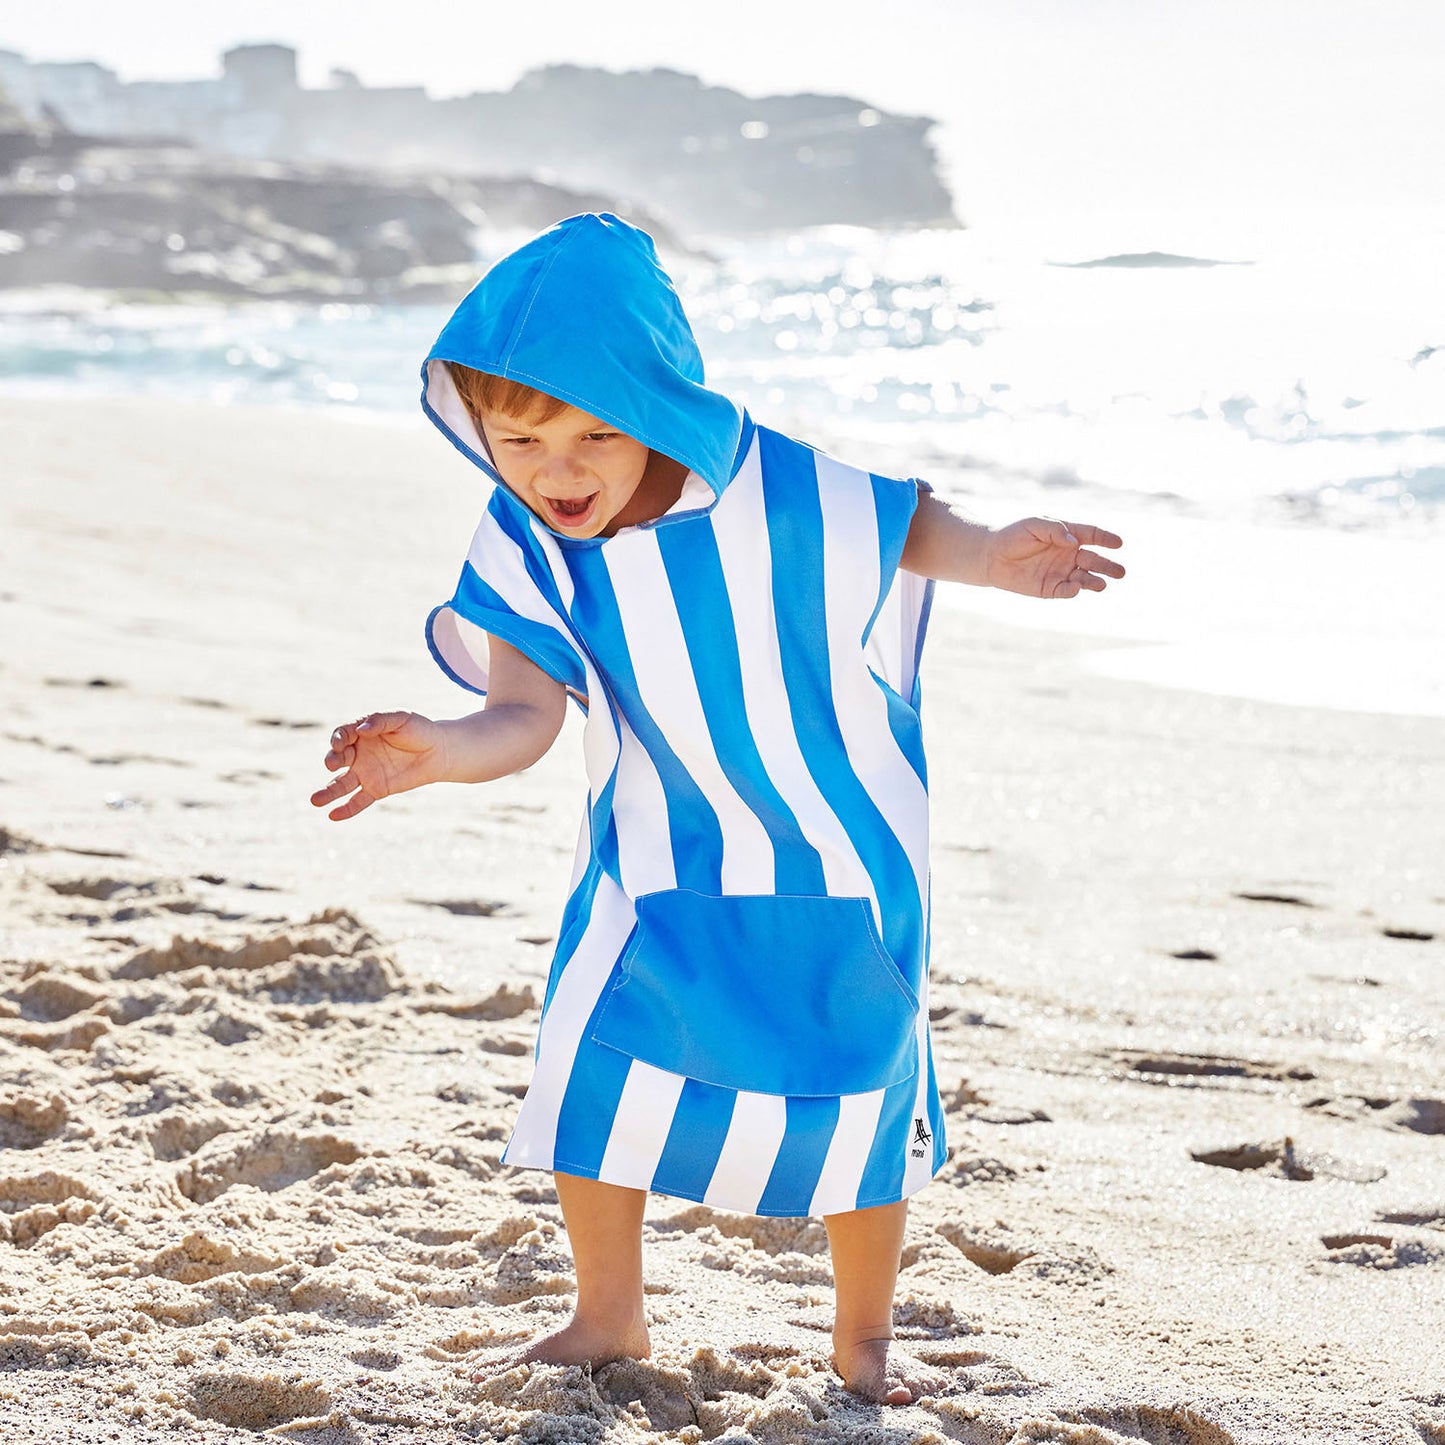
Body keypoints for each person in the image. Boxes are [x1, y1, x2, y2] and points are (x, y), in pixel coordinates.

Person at [311, 213, 1123, 1404]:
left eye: (598, 431)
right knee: (593, 1062)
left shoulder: (776, 482)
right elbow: (523, 715)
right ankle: (606, 1311)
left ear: (659, 404)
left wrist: (997, 552)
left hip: (837, 847)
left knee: (856, 1081)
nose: (561, 469)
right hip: (655, 851)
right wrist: (437, 749)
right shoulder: (526, 541)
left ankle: (859, 1340)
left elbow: (901, 526)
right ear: (481, 432)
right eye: (522, 438)